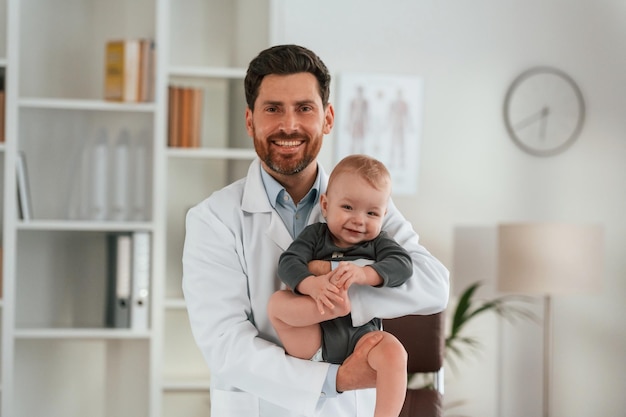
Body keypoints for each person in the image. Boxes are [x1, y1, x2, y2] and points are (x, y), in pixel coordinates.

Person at [182, 44, 449, 417]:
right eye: (273, 108)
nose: (288, 125)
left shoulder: (364, 206)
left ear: (327, 118)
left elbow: (434, 285)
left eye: (304, 108)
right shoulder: (213, 219)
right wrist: (336, 379)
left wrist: (339, 287)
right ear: (250, 121)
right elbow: (226, 347)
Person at [268, 154, 412, 417]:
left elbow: (403, 265)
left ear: (384, 215)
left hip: (362, 338)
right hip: (314, 338)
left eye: (371, 213)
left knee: (395, 354)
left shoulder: (379, 243)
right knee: (277, 303)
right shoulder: (315, 236)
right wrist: (311, 285)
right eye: (348, 208)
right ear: (325, 205)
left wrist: (365, 274)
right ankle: (334, 307)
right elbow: (288, 262)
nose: (359, 220)